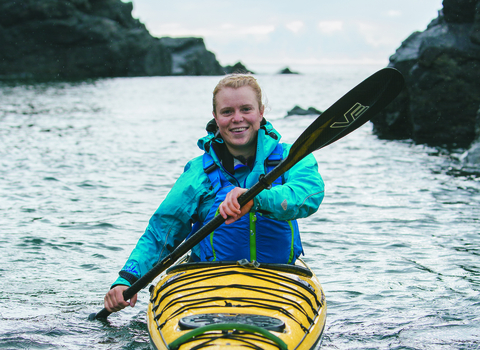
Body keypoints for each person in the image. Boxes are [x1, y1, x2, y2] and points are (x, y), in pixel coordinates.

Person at [104, 74, 325, 312]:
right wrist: (127, 278)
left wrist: (256, 198)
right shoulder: (199, 172)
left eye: (246, 109)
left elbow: (308, 195)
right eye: (227, 111)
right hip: (209, 285)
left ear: (261, 112)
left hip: (278, 280)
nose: (237, 118)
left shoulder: (291, 158)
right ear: (216, 117)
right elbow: (163, 230)